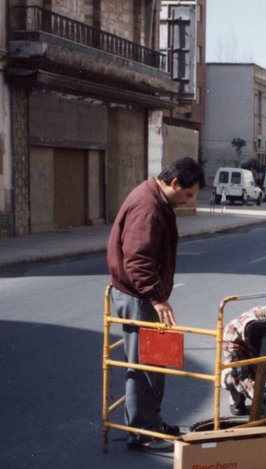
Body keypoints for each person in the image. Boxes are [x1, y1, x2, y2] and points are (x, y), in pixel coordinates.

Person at [107, 157, 204, 451]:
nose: (187, 201)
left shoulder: (155, 199)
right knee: (144, 365)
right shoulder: (148, 206)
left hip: (144, 296)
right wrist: (158, 298)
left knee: (158, 361)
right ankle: (141, 430)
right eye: (187, 195)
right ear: (174, 183)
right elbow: (137, 260)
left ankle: (151, 421)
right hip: (140, 298)